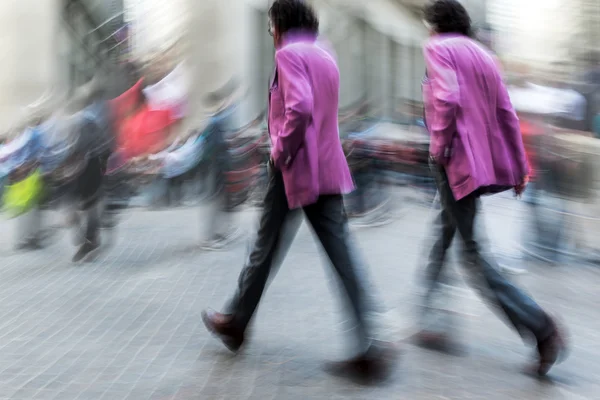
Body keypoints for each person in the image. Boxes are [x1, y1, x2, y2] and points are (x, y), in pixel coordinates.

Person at [201, 0, 397, 383]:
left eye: (271, 25)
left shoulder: (290, 53)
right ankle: (369, 341)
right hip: (327, 166)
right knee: (336, 252)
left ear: (280, 22)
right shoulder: (325, 51)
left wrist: (279, 149)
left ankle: (238, 322)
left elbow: (300, 106)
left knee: (265, 246)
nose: (270, 33)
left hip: (294, 167)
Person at [419, 0, 568, 376]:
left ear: (436, 24)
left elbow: (447, 97)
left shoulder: (439, 48)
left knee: (471, 257)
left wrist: (438, 147)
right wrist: (521, 169)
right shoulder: (485, 56)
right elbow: (507, 114)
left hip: (454, 164)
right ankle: (432, 320)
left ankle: (542, 327)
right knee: (442, 235)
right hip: (477, 167)